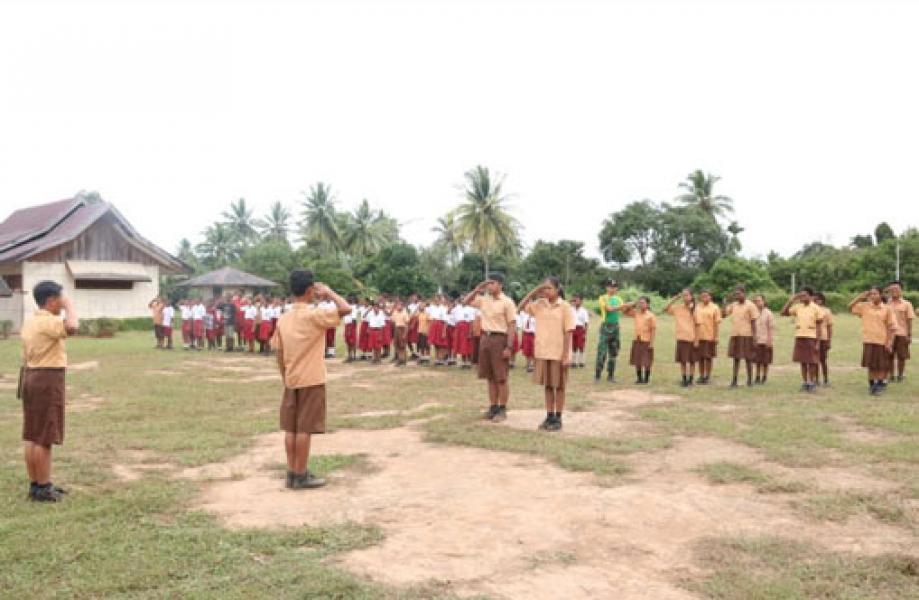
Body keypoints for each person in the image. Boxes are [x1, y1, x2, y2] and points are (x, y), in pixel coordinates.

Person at [272, 269, 350, 490]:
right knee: (305, 429)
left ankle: (291, 472)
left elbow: (278, 351)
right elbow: (345, 308)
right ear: (309, 290)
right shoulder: (315, 315)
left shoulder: (283, 319)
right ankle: (301, 474)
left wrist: (285, 375)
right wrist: (329, 292)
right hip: (312, 378)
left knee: (291, 428)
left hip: (291, 378)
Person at [19, 281, 79, 502]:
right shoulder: (49, 321)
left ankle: (36, 484)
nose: (62, 303)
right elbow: (72, 326)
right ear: (52, 299)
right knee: (44, 435)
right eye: (60, 299)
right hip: (47, 378)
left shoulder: (30, 321)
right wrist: (70, 305)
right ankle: (44, 487)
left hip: (31, 375)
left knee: (33, 434)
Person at [519, 277, 575, 432]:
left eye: (549, 288)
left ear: (557, 289)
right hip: (543, 352)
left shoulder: (565, 307)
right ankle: (549, 415)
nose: (545, 291)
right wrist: (535, 290)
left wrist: (566, 354)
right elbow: (520, 307)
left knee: (560, 386)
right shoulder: (539, 305)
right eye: (544, 288)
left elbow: (568, 332)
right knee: (548, 386)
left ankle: (558, 417)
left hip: (558, 353)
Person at [463, 273, 517, 422]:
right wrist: (477, 289)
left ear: (500, 285)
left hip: (500, 339)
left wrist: (509, 347)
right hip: (485, 338)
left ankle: (502, 409)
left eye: (492, 283)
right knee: (489, 377)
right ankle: (493, 407)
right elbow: (465, 302)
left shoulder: (507, 302)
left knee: (501, 377)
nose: (489, 286)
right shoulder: (483, 300)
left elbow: (512, 325)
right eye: (487, 284)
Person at [849, 287, 896, 396]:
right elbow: (850, 307)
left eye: (875, 294)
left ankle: (879, 384)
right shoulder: (865, 306)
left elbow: (891, 327)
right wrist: (859, 297)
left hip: (881, 340)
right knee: (870, 365)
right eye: (871, 294)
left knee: (880, 365)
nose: (873, 296)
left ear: (880, 295)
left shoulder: (887, 309)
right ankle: (872, 384)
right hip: (868, 339)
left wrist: (889, 342)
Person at [781, 287, 823, 393]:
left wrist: (818, 342)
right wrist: (791, 300)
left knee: (812, 362)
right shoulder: (798, 307)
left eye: (805, 295)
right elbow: (783, 313)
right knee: (803, 362)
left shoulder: (816, 308)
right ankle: (805, 382)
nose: (802, 297)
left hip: (811, 337)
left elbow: (819, 326)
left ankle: (811, 382)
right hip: (800, 336)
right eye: (801, 295)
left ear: (810, 296)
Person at [614, 297, 657, 384]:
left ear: (648, 304)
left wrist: (651, 343)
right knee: (637, 360)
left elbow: (653, 330)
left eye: (643, 303)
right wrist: (633, 303)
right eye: (640, 303)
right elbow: (624, 311)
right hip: (637, 339)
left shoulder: (651, 316)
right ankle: (639, 378)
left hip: (646, 340)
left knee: (646, 361)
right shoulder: (636, 313)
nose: (641, 305)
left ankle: (646, 379)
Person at [725, 286, 759, 387]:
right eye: (736, 294)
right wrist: (725, 302)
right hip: (735, 334)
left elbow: (753, 322)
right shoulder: (733, 305)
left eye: (739, 293)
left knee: (748, 359)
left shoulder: (751, 305)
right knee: (736, 359)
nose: (737, 296)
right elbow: (724, 314)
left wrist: (754, 337)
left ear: (744, 294)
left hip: (747, 335)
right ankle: (734, 380)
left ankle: (749, 380)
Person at [664, 289, 697, 387]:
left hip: (692, 337)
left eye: (687, 295)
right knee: (682, 361)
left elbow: (699, 325)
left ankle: (691, 379)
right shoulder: (678, 308)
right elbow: (665, 308)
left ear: (691, 297)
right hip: (681, 337)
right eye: (684, 295)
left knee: (692, 361)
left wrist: (697, 339)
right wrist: (675, 298)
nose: (685, 297)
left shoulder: (695, 309)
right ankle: (684, 379)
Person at [595, 279, 623, 383]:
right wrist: (624, 306)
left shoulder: (619, 299)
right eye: (610, 287)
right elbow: (609, 309)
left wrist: (629, 305)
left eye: (615, 287)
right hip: (605, 327)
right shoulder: (602, 298)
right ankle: (597, 375)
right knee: (601, 353)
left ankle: (611, 375)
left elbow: (624, 309)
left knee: (614, 353)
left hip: (615, 327)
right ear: (606, 288)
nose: (613, 289)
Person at [886, 281, 915, 382]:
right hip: (888, 334)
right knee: (889, 355)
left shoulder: (907, 304)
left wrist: (909, 335)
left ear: (901, 290)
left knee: (901, 356)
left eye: (897, 289)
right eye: (892, 289)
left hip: (902, 333)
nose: (894, 291)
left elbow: (909, 320)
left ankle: (900, 375)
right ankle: (891, 375)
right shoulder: (886, 303)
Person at [694, 290, 722, 385]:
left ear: (710, 297)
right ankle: (701, 376)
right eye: (702, 296)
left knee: (708, 357)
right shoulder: (697, 307)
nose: (704, 298)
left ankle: (708, 376)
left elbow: (717, 323)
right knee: (700, 357)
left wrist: (716, 336)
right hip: (699, 336)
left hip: (710, 336)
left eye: (706, 296)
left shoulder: (715, 308)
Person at [752, 294, 774, 385]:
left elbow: (771, 328)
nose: (757, 302)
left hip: (765, 340)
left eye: (759, 300)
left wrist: (770, 340)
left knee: (765, 361)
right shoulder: (753, 313)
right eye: (756, 301)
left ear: (764, 301)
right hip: (756, 339)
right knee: (757, 360)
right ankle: (757, 376)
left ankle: (764, 377)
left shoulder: (768, 313)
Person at [813, 292, 833, 386]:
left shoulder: (826, 311)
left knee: (823, 360)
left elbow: (829, 327)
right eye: (815, 299)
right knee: (814, 360)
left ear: (822, 300)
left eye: (819, 299)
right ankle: (816, 379)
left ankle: (826, 379)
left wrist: (829, 340)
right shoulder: (811, 310)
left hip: (823, 338)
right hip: (812, 337)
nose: (817, 301)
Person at [571, 295, 590, 368]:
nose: (576, 302)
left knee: (581, 346)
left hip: (580, 329)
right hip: (573, 328)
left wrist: (585, 333)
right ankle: (574, 362)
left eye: (578, 300)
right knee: (574, 346)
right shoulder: (571, 309)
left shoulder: (584, 311)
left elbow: (586, 322)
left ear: (581, 302)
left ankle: (581, 361)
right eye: (575, 300)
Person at [392, 300, 410, 366]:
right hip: (397, 329)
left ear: (402, 306)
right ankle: (400, 359)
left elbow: (407, 324)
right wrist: (395, 331)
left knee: (403, 345)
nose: (398, 306)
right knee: (396, 345)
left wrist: (405, 334)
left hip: (402, 329)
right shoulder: (395, 312)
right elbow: (393, 322)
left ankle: (404, 360)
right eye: (397, 305)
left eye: (400, 305)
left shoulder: (405, 313)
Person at [343, 294, 359, 363]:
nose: (349, 299)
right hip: (347, 325)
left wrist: (351, 329)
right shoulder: (347, 306)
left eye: (351, 299)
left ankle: (352, 356)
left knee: (352, 341)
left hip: (351, 325)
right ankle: (350, 356)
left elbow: (354, 319)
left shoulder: (353, 307)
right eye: (348, 298)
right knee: (348, 341)